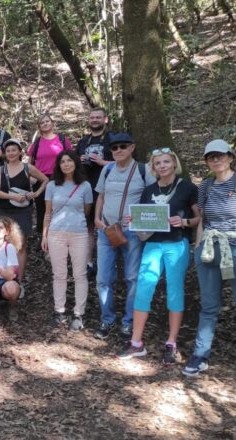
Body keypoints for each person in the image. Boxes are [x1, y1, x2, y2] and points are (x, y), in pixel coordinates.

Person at [183, 140, 236, 385]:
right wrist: (198, 248)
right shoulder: (206, 186)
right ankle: (200, 356)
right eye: (211, 157)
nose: (216, 160)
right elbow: (202, 219)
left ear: (230, 157)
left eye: (220, 156)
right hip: (210, 249)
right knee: (209, 305)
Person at [117, 148, 199, 363]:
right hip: (153, 245)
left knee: (174, 291)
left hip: (176, 244)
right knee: (143, 289)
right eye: (158, 163)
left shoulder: (187, 187)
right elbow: (146, 220)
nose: (162, 166)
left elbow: (199, 217)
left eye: (166, 162)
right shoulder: (149, 189)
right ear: (153, 167)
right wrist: (133, 220)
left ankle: (171, 343)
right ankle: (136, 343)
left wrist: (185, 222)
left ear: (174, 163)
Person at [93, 133, 155, 340]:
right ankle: (107, 319)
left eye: (123, 146)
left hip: (132, 232)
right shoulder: (107, 169)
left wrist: (140, 221)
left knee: (132, 277)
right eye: (114, 147)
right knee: (103, 278)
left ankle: (129, 322)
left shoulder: (143, 170)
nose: (118, 150)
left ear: (132, 148)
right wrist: (96, 218)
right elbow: (101, 195)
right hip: (106, 229)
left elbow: (153, 199)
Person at [41, 150, 93, 331]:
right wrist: (44, 235)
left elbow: (86, 211)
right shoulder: (52, 185)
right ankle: (59, 312)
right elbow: (48, 213)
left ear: (75, 163)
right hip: (56, 233)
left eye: (69, 160)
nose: (66, 164)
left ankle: (79, 314)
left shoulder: (85, 186)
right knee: (59, 274)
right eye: (62, 161)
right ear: (58, 165)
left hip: (79, 233)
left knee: (80, 275)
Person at [0, 138, 48, 289]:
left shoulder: (27, 168)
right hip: (4, 211)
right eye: (8, 151)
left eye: (14, 150)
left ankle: (19, 282)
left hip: (23, 211)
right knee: (2, 244)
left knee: (20, 246)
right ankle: (2, 279)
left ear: (19, 152)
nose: (11, 153)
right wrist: (12, 196)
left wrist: (36, 193)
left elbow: (45, 179)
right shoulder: (0, 170)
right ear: (4, 153)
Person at [75, 108, 115, 272]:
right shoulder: (84, 140)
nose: (95, 120)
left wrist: (101, 161)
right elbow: (72, 163)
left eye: (98, 117)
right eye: (92, 117)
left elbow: (122, 164)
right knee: (89, 226)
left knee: (109, 224)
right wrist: (80, 160)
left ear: (105, 119)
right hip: (87, 187)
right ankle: (88, 262)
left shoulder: (113, 139)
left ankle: (110, 263)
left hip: (109, 188)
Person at [28, 114, 73, 235]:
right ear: (39, 127)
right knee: (41, 208)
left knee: (59, 206)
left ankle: (59, 234)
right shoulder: (37, 143)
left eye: (47, 121)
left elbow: (71, 158)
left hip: (60, 177)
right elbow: (31, 160)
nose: (45, 124)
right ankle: (42, 236)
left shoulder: (62, 139)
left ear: (52, 123)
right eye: (42, 123)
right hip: (40, 179)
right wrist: (31, 175)